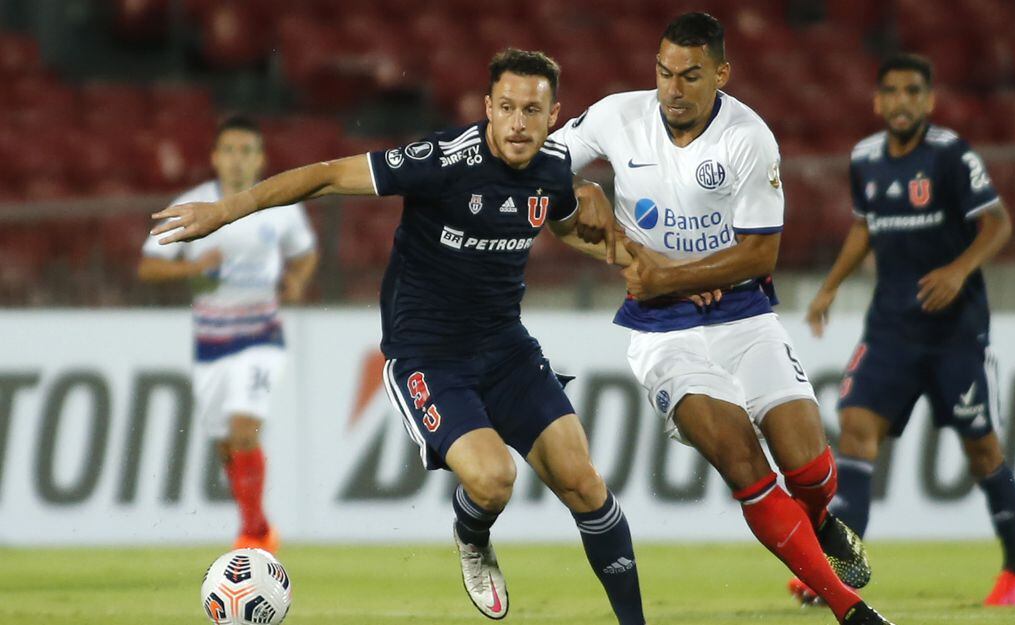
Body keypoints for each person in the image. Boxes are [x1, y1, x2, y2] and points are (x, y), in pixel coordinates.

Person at [149, 50, 647, 624]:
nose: (517, 122)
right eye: (506, 107)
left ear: (554, 114)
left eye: (531, 110)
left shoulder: (555, 170)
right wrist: (227, 210)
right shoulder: (442, 160)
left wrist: (633, 256)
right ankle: (472, 533)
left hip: (507, 348)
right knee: (494, 481)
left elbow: (567, 222)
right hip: (429, 358)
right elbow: (328, 175)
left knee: (585, 485)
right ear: (487, 107)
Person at [550, 12, 894, 625]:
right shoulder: (615, 116)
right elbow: (539, 167)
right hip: (661, 332)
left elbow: (762, 252)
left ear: (721, 74)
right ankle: (852, 611)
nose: (672, 90)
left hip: (745, 317)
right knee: (746, 467)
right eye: (663, 73)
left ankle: (817, 518)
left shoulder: (748, 137)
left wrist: (680, 273)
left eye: (689, 76)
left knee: (812, 470)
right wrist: (577, 194)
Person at [803, 53, 1015, 607]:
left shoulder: (951, 156)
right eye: (892, 91)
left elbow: (998, 224)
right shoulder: (865, 159)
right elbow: (865, 227)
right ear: (877, 101)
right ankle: (836, 571)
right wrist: (831, 285)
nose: (902, 101)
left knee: (982, 451)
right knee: (855, 431)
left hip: (955, 333)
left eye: (913, 91)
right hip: (889, 330)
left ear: (928, 100)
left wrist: (958, 270)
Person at [139, 115, 319, 554]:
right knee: (226, 445)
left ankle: (255, 535)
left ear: (260, 158)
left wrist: (296, 282)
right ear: (215, 157)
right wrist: (191, 267)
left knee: (244, 429)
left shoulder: (280, 204)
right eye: (230, 150)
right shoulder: (193, 205)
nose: (238, 160)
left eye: (247, 151)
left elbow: (306, 253)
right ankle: (254, 523)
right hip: (211, 343)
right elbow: (147, 266)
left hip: (261, 336)